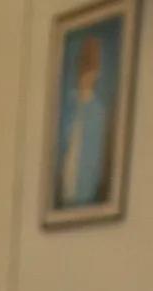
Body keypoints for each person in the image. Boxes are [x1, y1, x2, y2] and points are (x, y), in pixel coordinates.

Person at [57, 32, 114, 207]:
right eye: (83, 70)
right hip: (66, 182)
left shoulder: (97, 111)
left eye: (90, 71)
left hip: (84, 189)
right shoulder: (69, 104)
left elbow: (94, 163)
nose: (85, 77)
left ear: (96, 74)